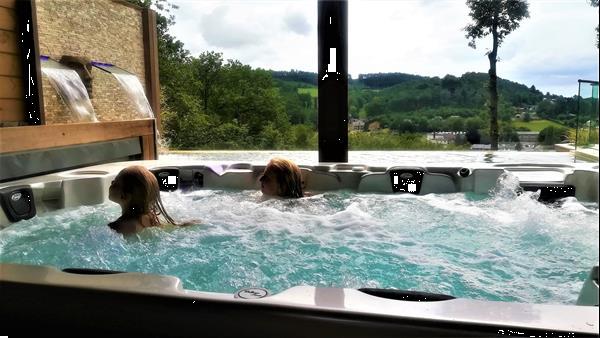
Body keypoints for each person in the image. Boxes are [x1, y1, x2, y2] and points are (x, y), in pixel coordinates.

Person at [108, 165, 180, 235]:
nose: (111, 182)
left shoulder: (117, 227)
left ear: (125, 196)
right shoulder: (152, 218)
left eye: (115, 183)